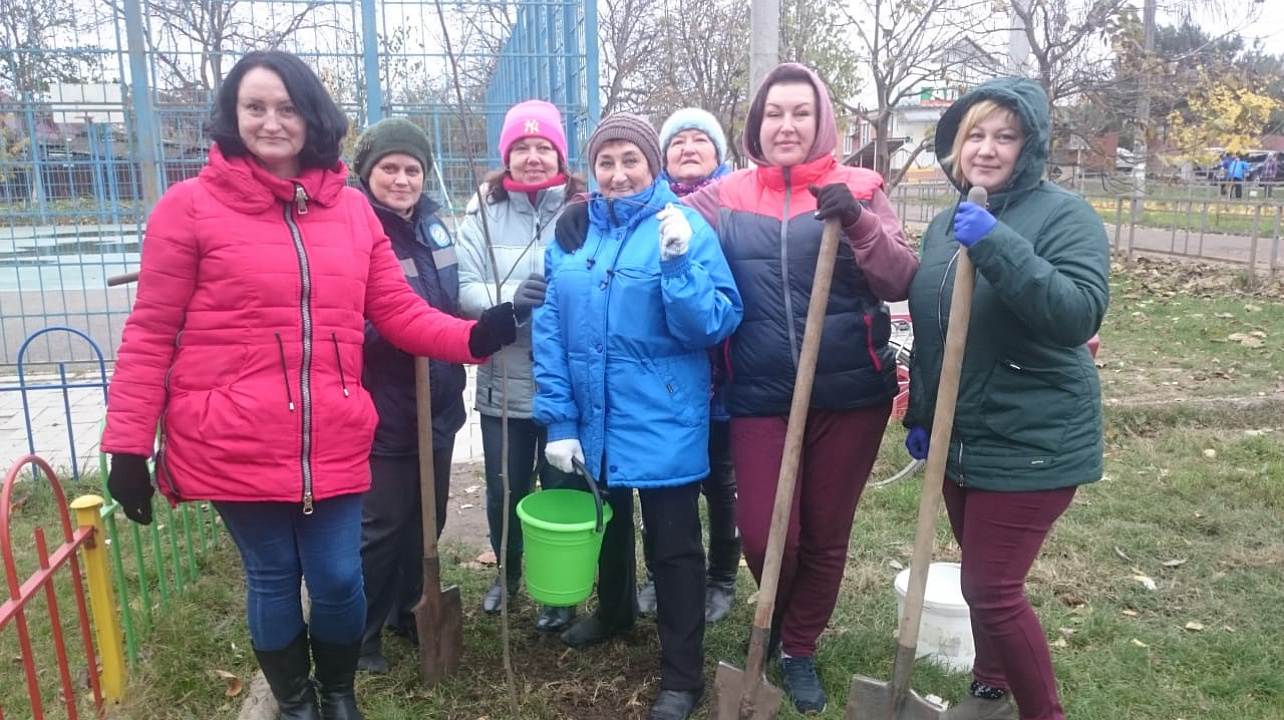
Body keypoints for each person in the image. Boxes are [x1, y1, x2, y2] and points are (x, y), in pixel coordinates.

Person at [99, 50, 517, 720]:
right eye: (255, 107)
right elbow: (151, 332)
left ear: (312, 116)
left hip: (333, 431)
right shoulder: (189, 209)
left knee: (337, 576)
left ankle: (338, 693)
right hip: (231, 436)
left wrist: (471, 339)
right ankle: (296, 704)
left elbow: (399, 312)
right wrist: (126, 446)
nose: (271, 122)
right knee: (271, 577)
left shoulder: (352, 214)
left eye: (286, 107)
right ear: (232, 117)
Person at [902, 77, 1110, 720]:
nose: (986, 149)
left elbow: (1078, 314)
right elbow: (939, 332)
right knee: (979, 573)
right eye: (974, 136)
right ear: (955, 147)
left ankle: (1043, 713)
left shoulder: (1064, 215)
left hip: (1034, 436)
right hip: (961, 433)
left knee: (990, 588)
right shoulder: (942, 224)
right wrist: (920, 413)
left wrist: (995, 241)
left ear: (1032, 144)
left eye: (1005, 135)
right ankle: (990, 683)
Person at [534, 112, 743, 720]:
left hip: (662, 414)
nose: (619, 173)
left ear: (652, 166)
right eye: (607, 161)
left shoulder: (684, 228)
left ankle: (682, 676)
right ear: (592, 169)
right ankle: (616, 610)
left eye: (631, 160)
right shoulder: (573, 232)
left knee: (673, 547)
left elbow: (713, 323)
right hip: (590, 412)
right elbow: (552, 329)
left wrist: (678, 264)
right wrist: (560, 420)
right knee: (608, 520)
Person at [456, 99, 582, 633]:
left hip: (565, 382)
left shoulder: (583, 207)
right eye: (522, 148)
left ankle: (559, 589)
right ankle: (506, 576)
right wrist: (513, 300)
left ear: (560, 154)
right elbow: (463, 288)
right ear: (507, 156)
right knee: (505, 485)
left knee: (561, 487)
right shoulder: (482, 209)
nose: (533, 157)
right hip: (503, 379)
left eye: (544, 147)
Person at [349, 117, 468, 674]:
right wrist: (408, 333)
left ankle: (406, 608)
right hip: (388, 407)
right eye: (390, 169)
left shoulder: (434, 226)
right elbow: (355, 321)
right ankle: (361, 633)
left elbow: (449, 300)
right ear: (367, 172)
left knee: (430, 517)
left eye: (412, 169)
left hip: (438, 401)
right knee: (382, 527)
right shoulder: (353, 230)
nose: (402, 179)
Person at [634, 107, 740, 623]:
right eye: (678, 141)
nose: (690, 147)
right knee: (662, 483)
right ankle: (660, 573)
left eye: (702, 139)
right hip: (664, 379)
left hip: (722, 370)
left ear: (720, 153)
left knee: (721, 482)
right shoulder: (644, 204)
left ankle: (721, 576)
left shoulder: (735, 202)